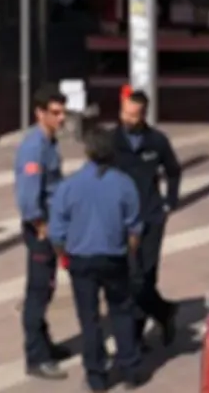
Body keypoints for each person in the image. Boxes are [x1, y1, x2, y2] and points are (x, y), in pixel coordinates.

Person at [48, 128, 148, 391]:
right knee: (122, 312)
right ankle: (130, 369)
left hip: (80, 260)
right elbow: (135, 229)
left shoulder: (68, 186)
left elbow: (57, 233)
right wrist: (130, 255)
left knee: (89, 318)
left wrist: (63, 258)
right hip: (114, 258)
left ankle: (96, 375)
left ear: (88, 152)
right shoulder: (124, 184)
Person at [113, 90, 180, 347]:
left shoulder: (157, 141)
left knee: (147, 276)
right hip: (121, 221)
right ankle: (164, 311)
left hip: (151, 217)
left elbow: (173, 171)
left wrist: (169, 202)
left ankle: (136, 336)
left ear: (144, 114)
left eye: (134, 115)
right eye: (125, 113)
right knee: (130, 277)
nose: (128, 119)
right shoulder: (111, 141)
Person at [14, 84, 71, 380]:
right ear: (39, 113)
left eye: (63, 112)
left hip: (51, 225)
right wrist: (41, 226)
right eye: (55, 112)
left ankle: (45, 344)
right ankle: (36, 358)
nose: (61, 118)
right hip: (41, 229)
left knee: (46, 288)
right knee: (37, 293)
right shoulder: (34, 147)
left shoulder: (49, 142)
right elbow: (28, 196)